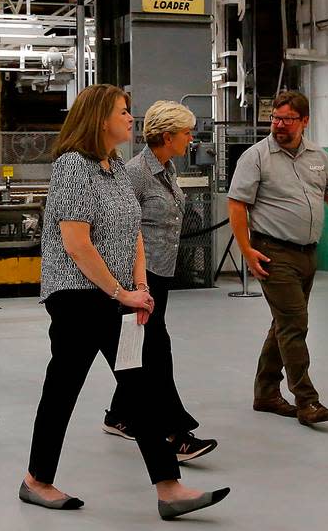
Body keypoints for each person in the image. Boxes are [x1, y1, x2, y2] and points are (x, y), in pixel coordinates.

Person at [20, 84, 230, 520]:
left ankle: (169, 489)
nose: (130, 119)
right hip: (77, 301)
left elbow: (134, 229)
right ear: (99, 119)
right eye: (122, 111)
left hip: (116, 299)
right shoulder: (72, 168)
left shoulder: (113, 166)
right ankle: (36, 481)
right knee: (63, 391)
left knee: (142, 391)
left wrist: (139, 288)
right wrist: (120, 292)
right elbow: (76, 244)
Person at [227, 91, 328, 426]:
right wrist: (246, 248)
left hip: (307, 254)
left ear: (304, 121)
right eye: (275, 119)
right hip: (273, 252)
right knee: (295, 324)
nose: (279, 125)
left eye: (287, 119)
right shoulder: (256, 157)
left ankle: (266, 393)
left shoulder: (319, 158)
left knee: (284, 323)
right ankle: (307, 401)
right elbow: (237, 204)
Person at [100, 100, 217, 462]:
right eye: (186, 133)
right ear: (168, 136)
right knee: (154, 354)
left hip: (160, 274)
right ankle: (173, 432)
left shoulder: (166, 169)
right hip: (140, 278)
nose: (191, 140)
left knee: (140, 350)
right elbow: (120, 227)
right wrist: (132, 285)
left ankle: (119, 416)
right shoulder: (134, 173)